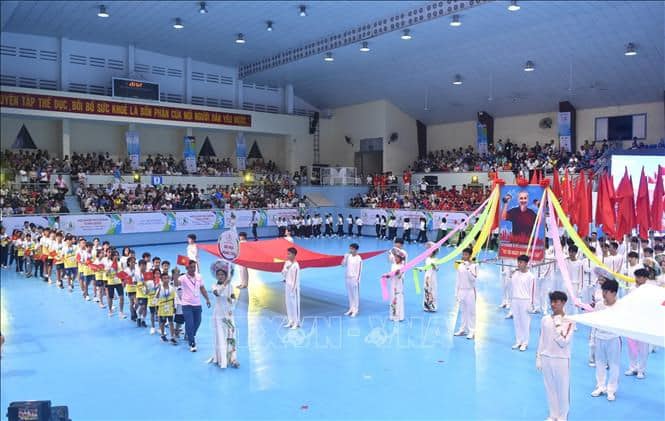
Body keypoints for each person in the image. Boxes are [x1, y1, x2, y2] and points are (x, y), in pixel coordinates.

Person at [536, 291, 575, 421]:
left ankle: (562, 416)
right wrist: (539, 357)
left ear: (563, 303)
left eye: (556, 302)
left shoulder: (569, 321)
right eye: (551, 301)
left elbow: (564, 342)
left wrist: (558, 325)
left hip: (561, 359)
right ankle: (553, 414)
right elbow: (541, 339)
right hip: (546, 357)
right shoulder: (545, 320)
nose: (553, 304)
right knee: (550, 388)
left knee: (562, 389)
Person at [591, 279, 621, 401]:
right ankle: (600, 386)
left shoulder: (620, 306)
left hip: (613, 338)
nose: (603, 294)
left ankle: (611, 389)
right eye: (603, 291)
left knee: (614, 365)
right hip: (599, 337)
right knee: (600, 363)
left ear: (614, 293)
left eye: (606, 291)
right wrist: (592, 340)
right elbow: (594, 323)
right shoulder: (599, 305)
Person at [208, 264, 240, 369]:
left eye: (222, 274)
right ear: (216, 276)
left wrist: (232, 300)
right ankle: (222, 360)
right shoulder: (214, 286)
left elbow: (233, 297)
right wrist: (225, 283)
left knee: (231, 335)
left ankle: (233, 359)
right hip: (219, 316)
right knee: (221, 337)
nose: (221, 276)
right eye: (219, 275)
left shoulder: (230, 286)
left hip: (229, 315)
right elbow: (217, 293)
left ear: (226, 275)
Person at [179, 260, 211, 352]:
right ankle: (192, 343)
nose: (193, 269)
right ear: (187, 268)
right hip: (186, 304)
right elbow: (177, 283)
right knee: (189, 323)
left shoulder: (199, 277)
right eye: (191, 267)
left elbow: (202, 288)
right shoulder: (182, 278)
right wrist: (176, 274)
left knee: (198, 322)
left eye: (194, 267)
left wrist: (207, 299)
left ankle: (189, 334)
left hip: (197, 304)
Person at [625, 268, 650, 379]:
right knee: (631, 346)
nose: (636, 279)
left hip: (644, 321)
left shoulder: (649, 290)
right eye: (636, 277)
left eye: (639, 277)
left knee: (643, 347)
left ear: (645, 278)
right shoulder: (631, 289)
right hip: (632, 320)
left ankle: (641, 370)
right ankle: (632, 367)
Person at [511, 254, 535, 351]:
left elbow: (532, 292)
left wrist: (531, 304)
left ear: (526, 263)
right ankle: (518, 341)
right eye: (518, 262)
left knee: (525, 322)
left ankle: (525, 342)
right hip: (515, 300)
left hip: (525, 301)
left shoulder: (531, 276)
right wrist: (512, 274)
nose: (519, 264)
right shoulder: (515, 274)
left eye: (521, 262)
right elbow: (512, 286)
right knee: (517, 321)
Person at [454, 248, 478, 339]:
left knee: (471, 312)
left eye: (466, 255)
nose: (464, 256)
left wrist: (468, 268)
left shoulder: (474, 266)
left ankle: (472, 331)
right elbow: (458, 280)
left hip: (470, 291)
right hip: (461, 291)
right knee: (463, 311)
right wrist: (456, 292)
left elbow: (473, 279)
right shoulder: (460, 266)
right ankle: (462, 329)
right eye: (463, 254)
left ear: (470, 255)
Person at [155, 271, 178, 344]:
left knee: (171, 322)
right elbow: (156, 297)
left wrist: (175, 307)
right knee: (163, 322)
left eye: (167, 278)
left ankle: (172, 337)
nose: (166, 280)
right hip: (162, 307)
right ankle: (162, 334)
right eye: (164, 278)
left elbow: (174, 298)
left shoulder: (172, 288)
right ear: (161, 280)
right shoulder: (160, 288)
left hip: (170, 307)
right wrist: (159, 290)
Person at [281, 247, 301, 329]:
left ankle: (296, 322)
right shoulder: (287, 263)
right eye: (287, 254)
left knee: (294, 305)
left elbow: (296, 279)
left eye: (289, 254)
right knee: (288, 303)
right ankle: (290, 321)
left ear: (293, 255)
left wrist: (293, 290)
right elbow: (283, 273)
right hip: (287, 286)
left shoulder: (296, 265)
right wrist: (286, 269)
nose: (287, 255)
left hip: (293, 288)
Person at [341, 243, 362, 317]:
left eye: (352, 249)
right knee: (350, 294)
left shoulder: (358, 258)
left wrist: (357, 281)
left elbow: (359, 271)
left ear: (356, 250)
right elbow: (343, 265)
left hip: (354, 279)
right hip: (348, 278)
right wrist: (345, 258)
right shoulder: (348, 256)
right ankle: (351, 308)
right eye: (350, 248)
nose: (350, 250)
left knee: (355, 295)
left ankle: (355, 310)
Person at [389, 248, 406, 322]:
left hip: (398, 285)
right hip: (393, 284)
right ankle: (392, 315)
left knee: (398, 298)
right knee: (393, 298)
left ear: (401, 259)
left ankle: (399, 316)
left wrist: (399, 273)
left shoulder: (402, 266)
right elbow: (391, 274)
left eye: (397, 257)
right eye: (395, 257)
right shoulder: (393, 265)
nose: (395, 258)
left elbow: (400, 276)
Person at [422, 243, 439, 312]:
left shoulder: (436, 259)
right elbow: (426, 268)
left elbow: (437, 269)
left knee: (432, 290)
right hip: (427, 277)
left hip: (432, 277)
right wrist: (422, 269)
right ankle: (426, 306)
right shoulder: (427, 259)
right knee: (426, 290)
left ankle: (432, 306)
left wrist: (434, 266)